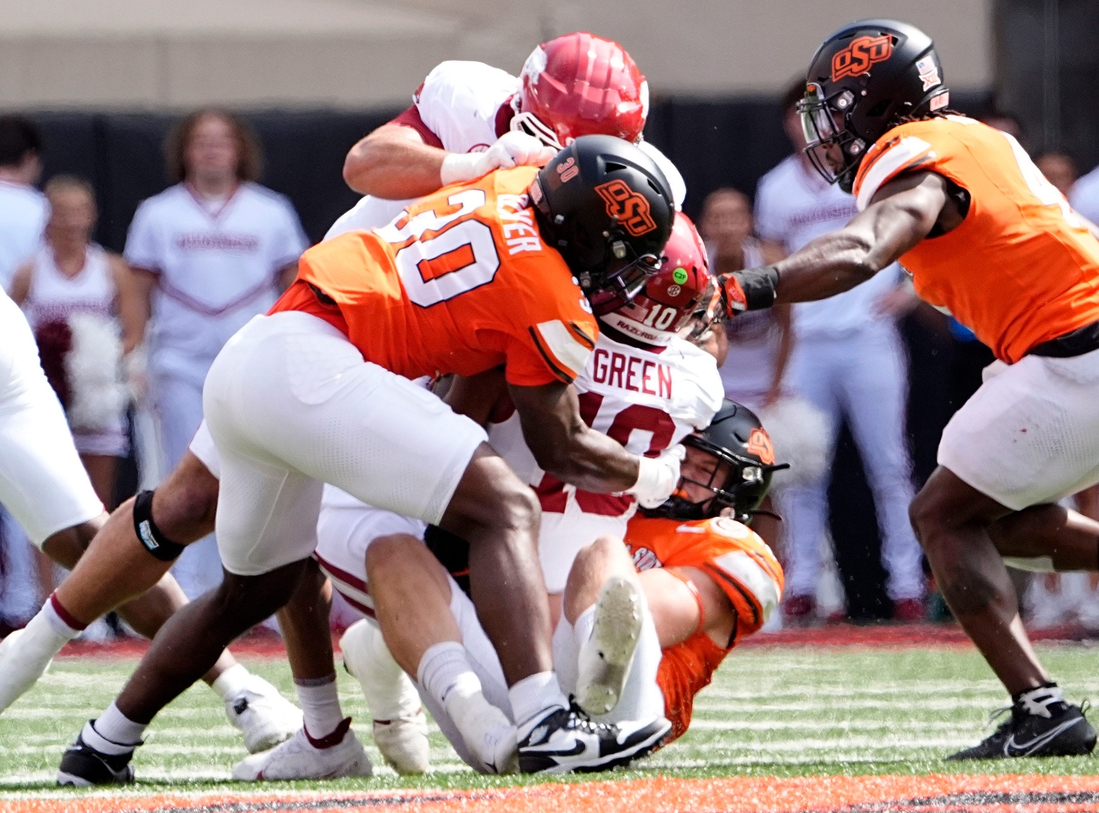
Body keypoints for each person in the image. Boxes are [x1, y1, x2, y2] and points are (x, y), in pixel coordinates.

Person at [0, 30, 684, 754]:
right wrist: (471, 162)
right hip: (340, 338)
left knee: (272, 567)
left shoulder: (577, 194)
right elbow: (366, 164)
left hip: (327, 327)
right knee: (473, 508)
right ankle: (534, 714)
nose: (562, 167)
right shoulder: (493, 150)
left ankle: (141, 739)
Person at [718, 18, 1099, 758]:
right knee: (991, 521)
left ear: (875, 103)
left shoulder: (912, 156)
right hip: (1068, 352)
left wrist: (745, 288)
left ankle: (1039, 706)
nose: (825, 129)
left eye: (833, 107)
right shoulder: (973, 137)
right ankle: (1041, 706)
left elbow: (866, 246)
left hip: (1070, 357)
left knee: (941, 516)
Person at [235, 212, 723, 780]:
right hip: (574, 619)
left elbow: (452, 425)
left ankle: (489, 731)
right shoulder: (698, 381)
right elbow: (694, 341)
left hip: (505, 647)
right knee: (604, 557)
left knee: (390, 551)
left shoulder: (543, 331)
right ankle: (613, 703)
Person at [318, 401, 784, 775]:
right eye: (684, 459)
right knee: (390, 551)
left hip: (627, 712)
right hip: (528, 696)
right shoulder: (624, 507)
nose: (682, 476)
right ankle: (475, 720)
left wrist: (495, 594)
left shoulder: (731, 546)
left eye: (704, 471)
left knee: (600, 555)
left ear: (737, 492)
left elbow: (643, 612)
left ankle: (394, 648)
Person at [753, 79, 925, 624]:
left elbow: (916, 228)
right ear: (788, 124)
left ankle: (906, 584)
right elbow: (776, 268)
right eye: (800, 118)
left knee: (890, 464)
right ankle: (803, 582)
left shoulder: (869, 175)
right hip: (808, 342)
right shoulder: (776, 187)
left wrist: (913, 289)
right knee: (801, 467)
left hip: (869, 335)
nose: (813, 129)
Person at [125, 108, 308, 599]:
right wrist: (133, 352)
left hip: (252, 362)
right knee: (185, 475)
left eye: (221, 140)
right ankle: (189, 586)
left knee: (261, 468)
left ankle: (259, 587)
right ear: (184, 150)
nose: (211, 150)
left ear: (240, 149)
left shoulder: (271, 211)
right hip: (181, 363)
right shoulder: (157, 213)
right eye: (201, 141)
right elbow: (137, 287)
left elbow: (294, 283)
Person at [10, 176, 143, 507]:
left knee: (96, 501)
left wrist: (92, 365)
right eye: (63, 212)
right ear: (49, 217)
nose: (72, 221)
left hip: (97, 402)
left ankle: (95, 560)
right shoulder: (30, 271)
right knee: (42, 500)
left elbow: (134, 331)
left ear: (93, 215)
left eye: (80, 211)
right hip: (47, 397)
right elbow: (11, 327)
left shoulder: (112, 268)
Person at [0, 116, 51, 633]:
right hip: (18, 355)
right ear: (31, 160)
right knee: (21, 478)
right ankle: (23, 598)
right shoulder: (40, 210)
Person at [698, 188, 790, 412]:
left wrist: (777, 386)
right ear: (703, 225)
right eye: (717, 219)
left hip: (766, 381)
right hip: (715, 383)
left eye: (734, 218)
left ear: (750, 222)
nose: (726, 228)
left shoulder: (772, 263)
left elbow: (788, 328)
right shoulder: (696, 266)